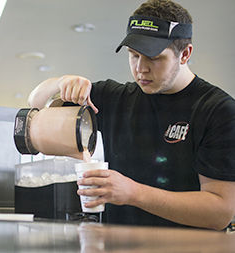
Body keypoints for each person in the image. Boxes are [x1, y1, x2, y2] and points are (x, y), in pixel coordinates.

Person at [27, 0, 235, 230]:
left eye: (154, 58)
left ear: (184, 54)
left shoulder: (218, 110)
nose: (140, 68)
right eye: (134, 55)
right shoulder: (114, 97)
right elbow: (35, 103)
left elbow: (220, 212)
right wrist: (61, 82)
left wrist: (133, 193)